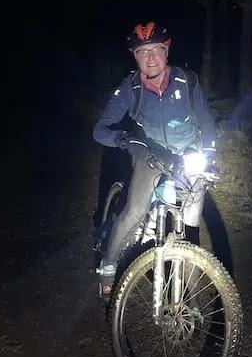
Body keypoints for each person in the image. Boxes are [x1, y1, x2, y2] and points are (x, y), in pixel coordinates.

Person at [92, 21, 217, 299]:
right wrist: (124, 139)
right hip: (150, 155)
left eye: (156, 50)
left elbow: (207, 123)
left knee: (191, 229)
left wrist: (209, 156)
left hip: (186, 156)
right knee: (134, 211)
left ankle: (190, 298)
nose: (150, 58)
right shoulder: (130, 88)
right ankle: (108, 265)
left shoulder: (188, 82)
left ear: (167, 50)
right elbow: (99, 130)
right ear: (134, 56)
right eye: (142, 52)